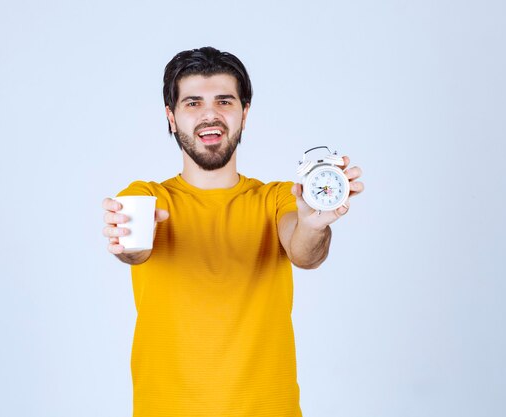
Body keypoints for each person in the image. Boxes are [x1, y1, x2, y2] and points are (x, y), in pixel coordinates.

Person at [102, 46, 364, 417]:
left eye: (224, 101)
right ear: (171, 118)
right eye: (193, 103)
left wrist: (312, 222)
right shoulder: (147, 197)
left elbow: (305, 252)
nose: (210, 114)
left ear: (244, 113)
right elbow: (134, 250)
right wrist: (125, 238)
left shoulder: (277, 199)